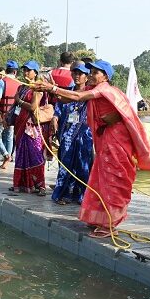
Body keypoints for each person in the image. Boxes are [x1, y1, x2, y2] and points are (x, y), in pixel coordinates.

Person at [37, 59, 150, 236]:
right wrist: (47, 89)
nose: (90, 75)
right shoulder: (94, 89)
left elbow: (78, 97)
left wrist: (51, 88)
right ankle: (99, 218)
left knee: (114, 178)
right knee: (101, 178)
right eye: (89, 72)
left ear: (105, 76)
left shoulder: (104, 89)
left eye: (94, 73)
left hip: (117, 139)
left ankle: (110, 223)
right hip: (106, 136)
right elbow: (69, 97)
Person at [51, 62, 94, 205]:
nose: (77, 76)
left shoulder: (90, 94)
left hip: (84, 135)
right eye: (74, 73)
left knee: (83, 165)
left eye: (80, 73)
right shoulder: (66, 91)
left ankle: (81, 195)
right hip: (67, 135)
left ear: (86, 77)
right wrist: (55, 118)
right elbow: (59, 106)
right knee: (65, 165)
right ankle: (62, 194)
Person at [10, 60, 49, 193]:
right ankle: (22, 183)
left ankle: (40, 184)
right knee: (21, 153)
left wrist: (19, 101)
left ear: (35, 72)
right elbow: (15, 105)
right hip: (20, 124)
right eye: (24, 70)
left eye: (29, 70)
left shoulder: (38, 88)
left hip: (32, 126)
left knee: (35, 153)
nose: (26, 72)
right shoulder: (22, 87)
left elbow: (33, 107)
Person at [0, 60, 20, 162]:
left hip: (3, 113)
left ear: (6, 70)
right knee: (10, 136)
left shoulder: (2, 82)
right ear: (15, 72)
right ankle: (8, 156)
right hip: (14, 114)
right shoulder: (20, 84)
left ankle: (6, 155)